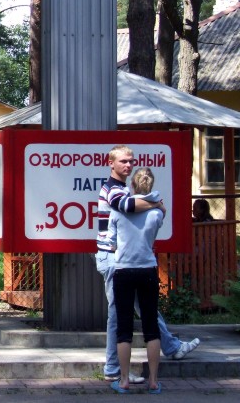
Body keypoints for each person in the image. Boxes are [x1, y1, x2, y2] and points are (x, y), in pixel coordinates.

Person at [95, 145, 200, 385]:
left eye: (131, 161)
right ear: (111, 163)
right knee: (117, 314)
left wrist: (151, 204)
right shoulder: (112, 189)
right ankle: (113, 367)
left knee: (142, 309)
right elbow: (127, 207)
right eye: (123, 161)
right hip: (112, 257)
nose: (128, 165)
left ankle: (171, 347)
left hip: (122, 259)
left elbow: (131, 206)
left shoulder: (122, 188)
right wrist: (156, 204)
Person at [107, 167, 163, 394]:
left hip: (124, 270)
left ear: (132, 185)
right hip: (148, 268)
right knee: (151, 326)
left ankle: (123, 380)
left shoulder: (118, 211)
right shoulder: (157, 213)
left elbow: (111, 242)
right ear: (151, 186)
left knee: (124, 327)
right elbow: (154, 234)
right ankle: (154, 381)